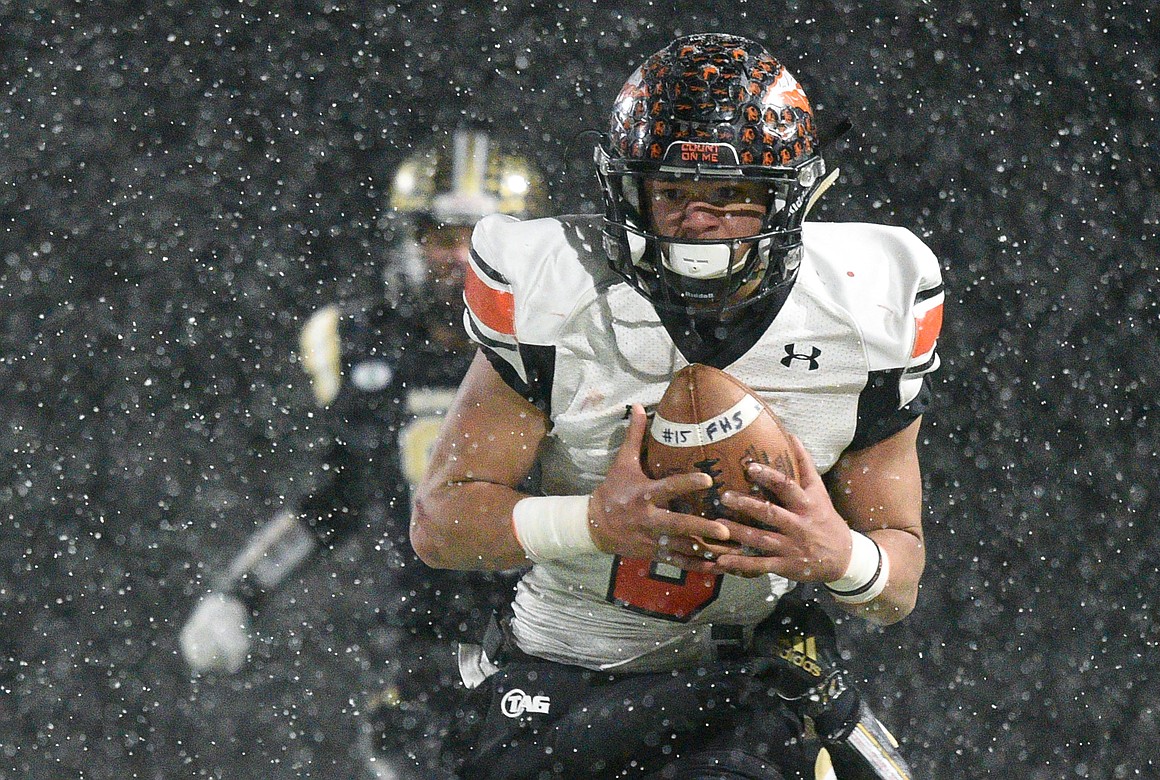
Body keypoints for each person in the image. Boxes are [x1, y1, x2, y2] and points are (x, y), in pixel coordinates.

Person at [411, 34, 943, 780]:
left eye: (728, 193)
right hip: (565, 673)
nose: (698, 220)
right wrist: (594, 523)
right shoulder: (556, 288)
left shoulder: (864, 303)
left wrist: (839, 554)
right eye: (671, 192)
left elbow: (899, 585)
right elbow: (440, 525)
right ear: (628, 191)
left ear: (788, 194)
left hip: (751, 687)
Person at [179, 128, 549, 778]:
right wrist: (240, 592)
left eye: (483, 238)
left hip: (562, 632)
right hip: (426, 643)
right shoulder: (359, 344)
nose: (460, 257)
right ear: (407, 242)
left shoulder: (570, 345)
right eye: (441, 236)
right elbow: (335, 500)